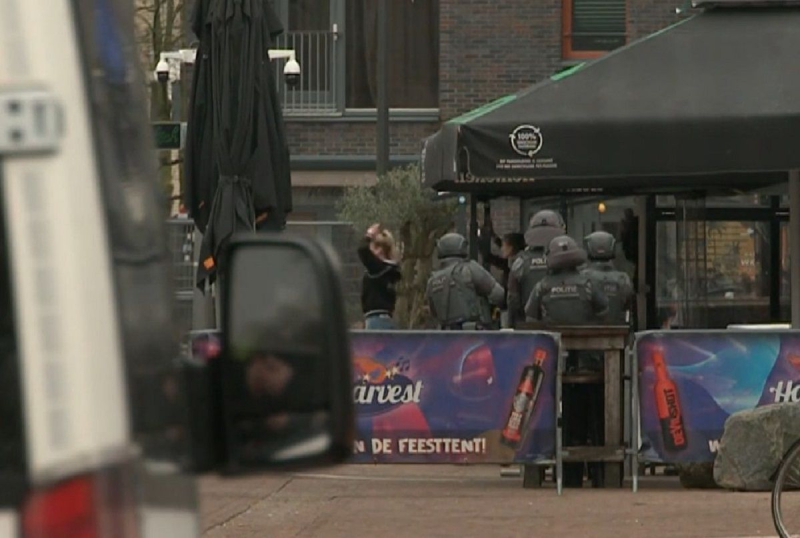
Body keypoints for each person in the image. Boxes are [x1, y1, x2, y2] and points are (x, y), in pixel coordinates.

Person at [426, 233, 505, 330]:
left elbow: (433, 312)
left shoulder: (433, 280)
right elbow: (499, 294)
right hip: (475, 334)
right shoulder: (470, 269)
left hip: (446, 337)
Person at [525, 235, 608, 325]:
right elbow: (603, 312)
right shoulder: (588, 284)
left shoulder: (541, 286)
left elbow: (531, 318)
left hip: (553, 337)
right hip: (584, 337)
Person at [507, 210, 566, 326]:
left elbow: (513, 301)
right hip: (564, 326)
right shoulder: (567, 259)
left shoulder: (521, 263)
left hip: (530, 328)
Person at [583, 231, 634, 325]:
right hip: (617, 335)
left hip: (588, 335)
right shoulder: (623, 279)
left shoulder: (583, 278)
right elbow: (628, 313)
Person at [358, 223, 402, 330]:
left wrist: (369, 234)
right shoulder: (390, 269)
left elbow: (362, 250)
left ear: (380, 250)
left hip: (376, 320)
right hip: (385, 318)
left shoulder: (378, 269)